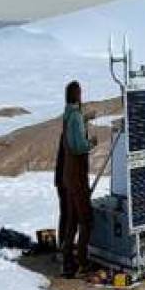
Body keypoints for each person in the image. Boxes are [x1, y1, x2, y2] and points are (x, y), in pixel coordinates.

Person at [53, 80, 93, 277]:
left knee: (71, 219)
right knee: (86, 219)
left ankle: (67, 261)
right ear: (77, 95)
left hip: (68, 177)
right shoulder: (75, 117)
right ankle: (82, 263)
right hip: (77, 177)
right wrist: (91, 143)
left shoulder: (68, 115)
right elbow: (78, 146)